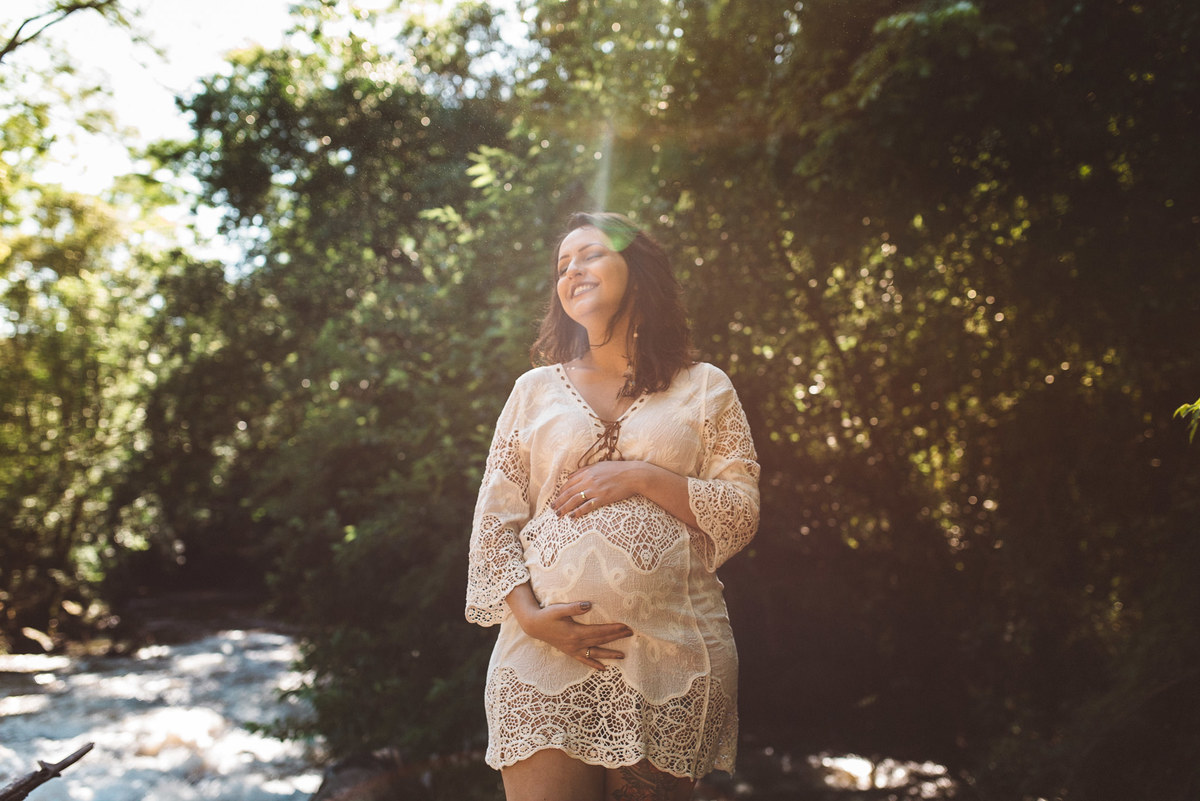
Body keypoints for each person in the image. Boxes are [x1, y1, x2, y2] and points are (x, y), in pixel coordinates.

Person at [465, 212, 760, 801]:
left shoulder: (705, 386)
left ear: (637, 269)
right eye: (562, 265)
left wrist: (642, 476)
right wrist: (528, 616)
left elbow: (740, 509)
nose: (572, 270)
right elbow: (495, 520)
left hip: (672, 654)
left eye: (591, 254)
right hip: (542, 654)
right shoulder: (533, 390)